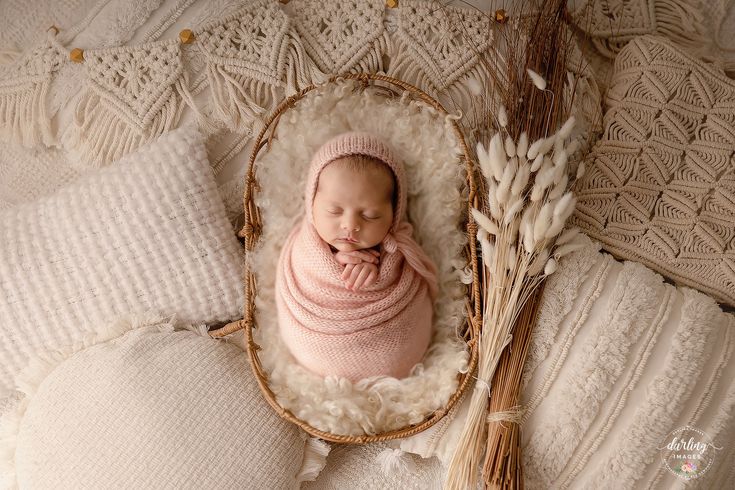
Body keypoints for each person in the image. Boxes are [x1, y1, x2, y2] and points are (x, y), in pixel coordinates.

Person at [275, 131, 438, 381]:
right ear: (311, 203)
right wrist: (332, 264)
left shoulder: (399, 249)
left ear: (394, 214)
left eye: (370, 215)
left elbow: (410, 275)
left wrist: (379, 272)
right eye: (334, 210)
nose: (350, 225)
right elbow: (305, 267)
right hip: (317, 346)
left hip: (392, 351)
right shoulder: (303, 247)